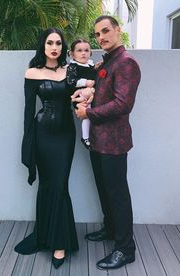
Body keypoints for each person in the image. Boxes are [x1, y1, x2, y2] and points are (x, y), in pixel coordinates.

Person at [74, 15, 141, 270]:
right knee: (104, 190)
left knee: (118, 195)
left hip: (114, 143)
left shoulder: (126, 63)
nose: (101, 37)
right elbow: (101, 91)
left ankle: (126, 249)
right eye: (98, 34)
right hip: (98, 141)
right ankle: (111, 229)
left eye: (105, 31)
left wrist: (88, 113)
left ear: (117, 30)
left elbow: (123, 104)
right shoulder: (108, 62)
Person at [14, 28, 79, 269]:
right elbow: (28, 111)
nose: (54, 47)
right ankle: (45, 235)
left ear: (63, 47)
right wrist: (27, 142)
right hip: (42, 135)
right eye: (50, 42)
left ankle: (59, 242)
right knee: (47, 185)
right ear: (43, 45)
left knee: (60, 185)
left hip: (65, 136)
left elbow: (79, 98)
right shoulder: (32, 72)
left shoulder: (70, 71)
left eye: (59, 43)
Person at [66, 39, 96, 150]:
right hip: (79, 96)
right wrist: (85, 82)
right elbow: (70, 81)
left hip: (91, 95)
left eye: (86, 50)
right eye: (79, 50)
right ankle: (85, 137)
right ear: (72, 54)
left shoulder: (91, 65)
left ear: (90, 53)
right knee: (87, 115)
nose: (83, 53)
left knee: (93, 113)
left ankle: (92, 136)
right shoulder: (73, 66)